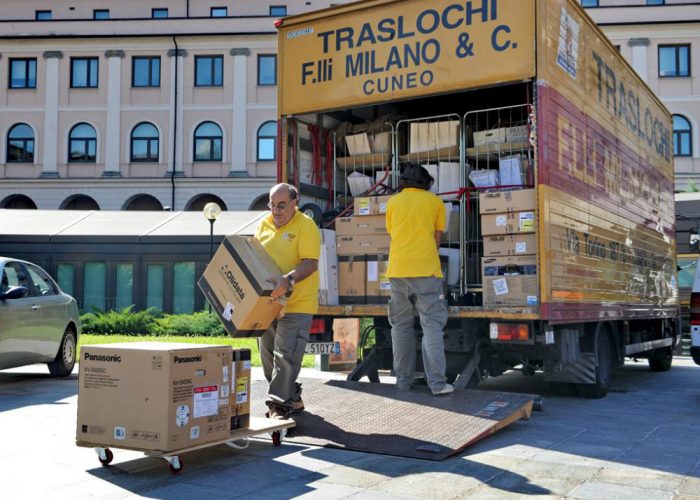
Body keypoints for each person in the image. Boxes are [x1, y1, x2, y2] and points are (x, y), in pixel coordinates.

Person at [385, 163, 453, 395]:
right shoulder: (435, 203)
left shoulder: (393, 202)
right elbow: (436, 239)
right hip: (426, 270)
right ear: (426, 183)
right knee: (431, 326)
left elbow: (392, 232)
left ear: (403, 181)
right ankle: (437, 384)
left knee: (401, 327)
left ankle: (402, 382)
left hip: (397, 270)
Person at [255, 183, 321, 418]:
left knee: (285, 356)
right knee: (267, 354)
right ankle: (291, 395)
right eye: (272, 205)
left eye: (282, 205)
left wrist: (287, 279)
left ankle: (279, 406)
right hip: (268, 304)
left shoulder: (306, 225)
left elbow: (310, 263)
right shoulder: (263, 225)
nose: (276, 211)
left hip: (297, 303)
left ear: (295, 202)